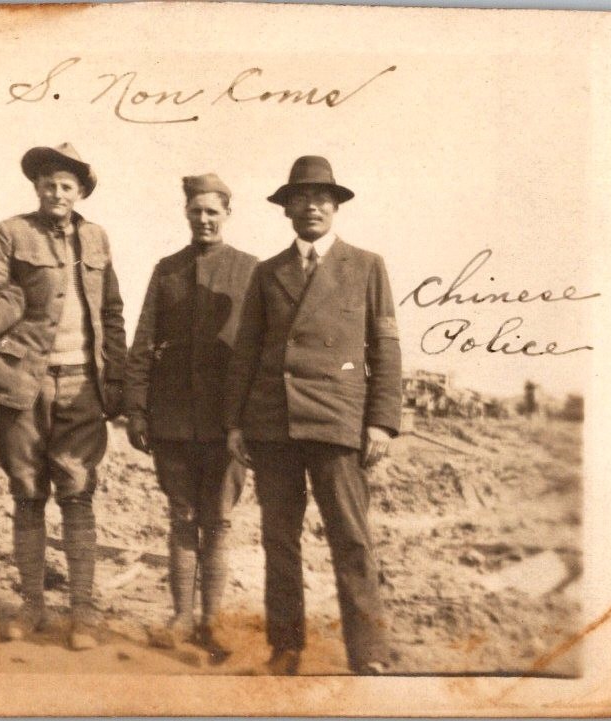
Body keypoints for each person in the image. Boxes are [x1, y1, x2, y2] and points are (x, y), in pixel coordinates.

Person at [0, 143, 127, 651]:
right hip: (22, 384)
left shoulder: (98, 238)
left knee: (78, 495)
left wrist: (117, 383)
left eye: (66, 186)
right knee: (28, 494)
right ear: (36, 188)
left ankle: (83, 613)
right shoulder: (12, 233)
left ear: (80, 191)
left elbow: (113, 315)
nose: (56, 193)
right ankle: (32, 605)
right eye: (48, 185)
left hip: (82, 386)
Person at [223, 156, 402, 675]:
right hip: (273, 424)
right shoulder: (267, 272)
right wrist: (236, 423)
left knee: (351, 538)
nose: (312, 206)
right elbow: (247, 353)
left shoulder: (366, 265)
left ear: (337, 206)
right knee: (280, 540)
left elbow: (386, 348)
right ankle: (286, 646)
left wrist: (380, 421)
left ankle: (369, 653)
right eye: (301, 197)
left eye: (323, 197)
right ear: (287, 209)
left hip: (337, 422)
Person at [122, 174, 258, 656]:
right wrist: (137, 410)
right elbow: (142, 342)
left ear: (226, 214)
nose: (204, 219)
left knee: (218, 522)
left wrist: (251, 421)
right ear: (186, 213)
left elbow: (260, 351)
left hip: (228, 424)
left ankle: (212, 621)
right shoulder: (167, 270)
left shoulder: (250, 271)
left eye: (212, 211)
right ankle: (181, 618)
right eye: (196, 211)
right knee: (181, 518)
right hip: (174, 420)